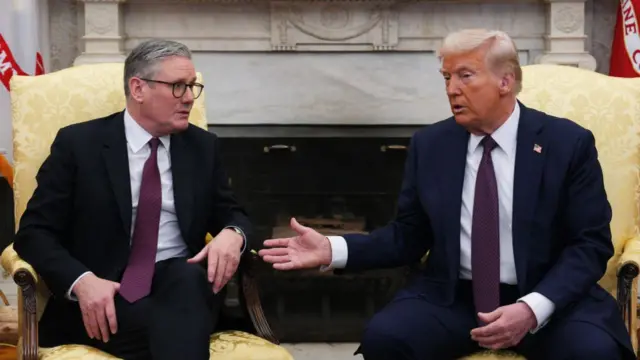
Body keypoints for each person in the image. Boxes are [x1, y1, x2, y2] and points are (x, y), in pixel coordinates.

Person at [259, 29, 636, 360]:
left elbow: (590, 243)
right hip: (455, 298)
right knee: (385, 340)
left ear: (505, 81)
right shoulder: (432, 145)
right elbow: (408, 235)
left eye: (465, 76)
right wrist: (334, 249)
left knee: (593, 351)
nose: (451, 89)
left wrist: (532, 309)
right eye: (447, 77)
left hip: (548, 298)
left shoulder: (566, 143)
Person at [13, 39, 252, 360]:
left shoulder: (202, 148)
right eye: (178, 87)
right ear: (138, 88)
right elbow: (33, 234)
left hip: (180, 289)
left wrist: (233, 234)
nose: (189, 99)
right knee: (175, 330)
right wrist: (82, 282)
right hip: (105, 293)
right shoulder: (79, 144)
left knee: (187, 277)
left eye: (192, 87)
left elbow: (234, 213)